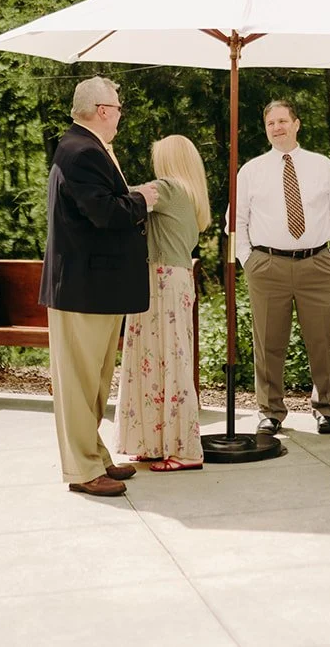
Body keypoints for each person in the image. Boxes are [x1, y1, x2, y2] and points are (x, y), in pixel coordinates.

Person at [42, 77, 159, 497]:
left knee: (94, 381)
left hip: (94, 286)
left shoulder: (86, 148)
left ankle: (94, 454)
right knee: (78, 384)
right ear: (102, 110)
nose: (121, 112)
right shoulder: (81, 152)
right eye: (118, 105)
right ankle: (81, 469)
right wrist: (143, 199)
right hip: (81, 288)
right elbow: (104, 213)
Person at [235, 99, 330, 435]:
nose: (277, 128)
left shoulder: (322, 165)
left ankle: (326, 408)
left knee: (322, 340)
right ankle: (270, 411)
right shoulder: (251, 170)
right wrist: (248, 258)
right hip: (267, 265)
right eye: (271, 123)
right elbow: (237, 219)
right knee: (268, 341)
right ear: (266, 128)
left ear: (297, 124)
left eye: (283, 121)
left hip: (317, 264)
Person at [115, 135, 212, 471]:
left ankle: (185, 451)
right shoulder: (190, 193)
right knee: (162, 361)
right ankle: (156, 442)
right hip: (175, 278)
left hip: (162, 280)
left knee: (168, 361)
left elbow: (124, 199)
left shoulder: (166, 188)